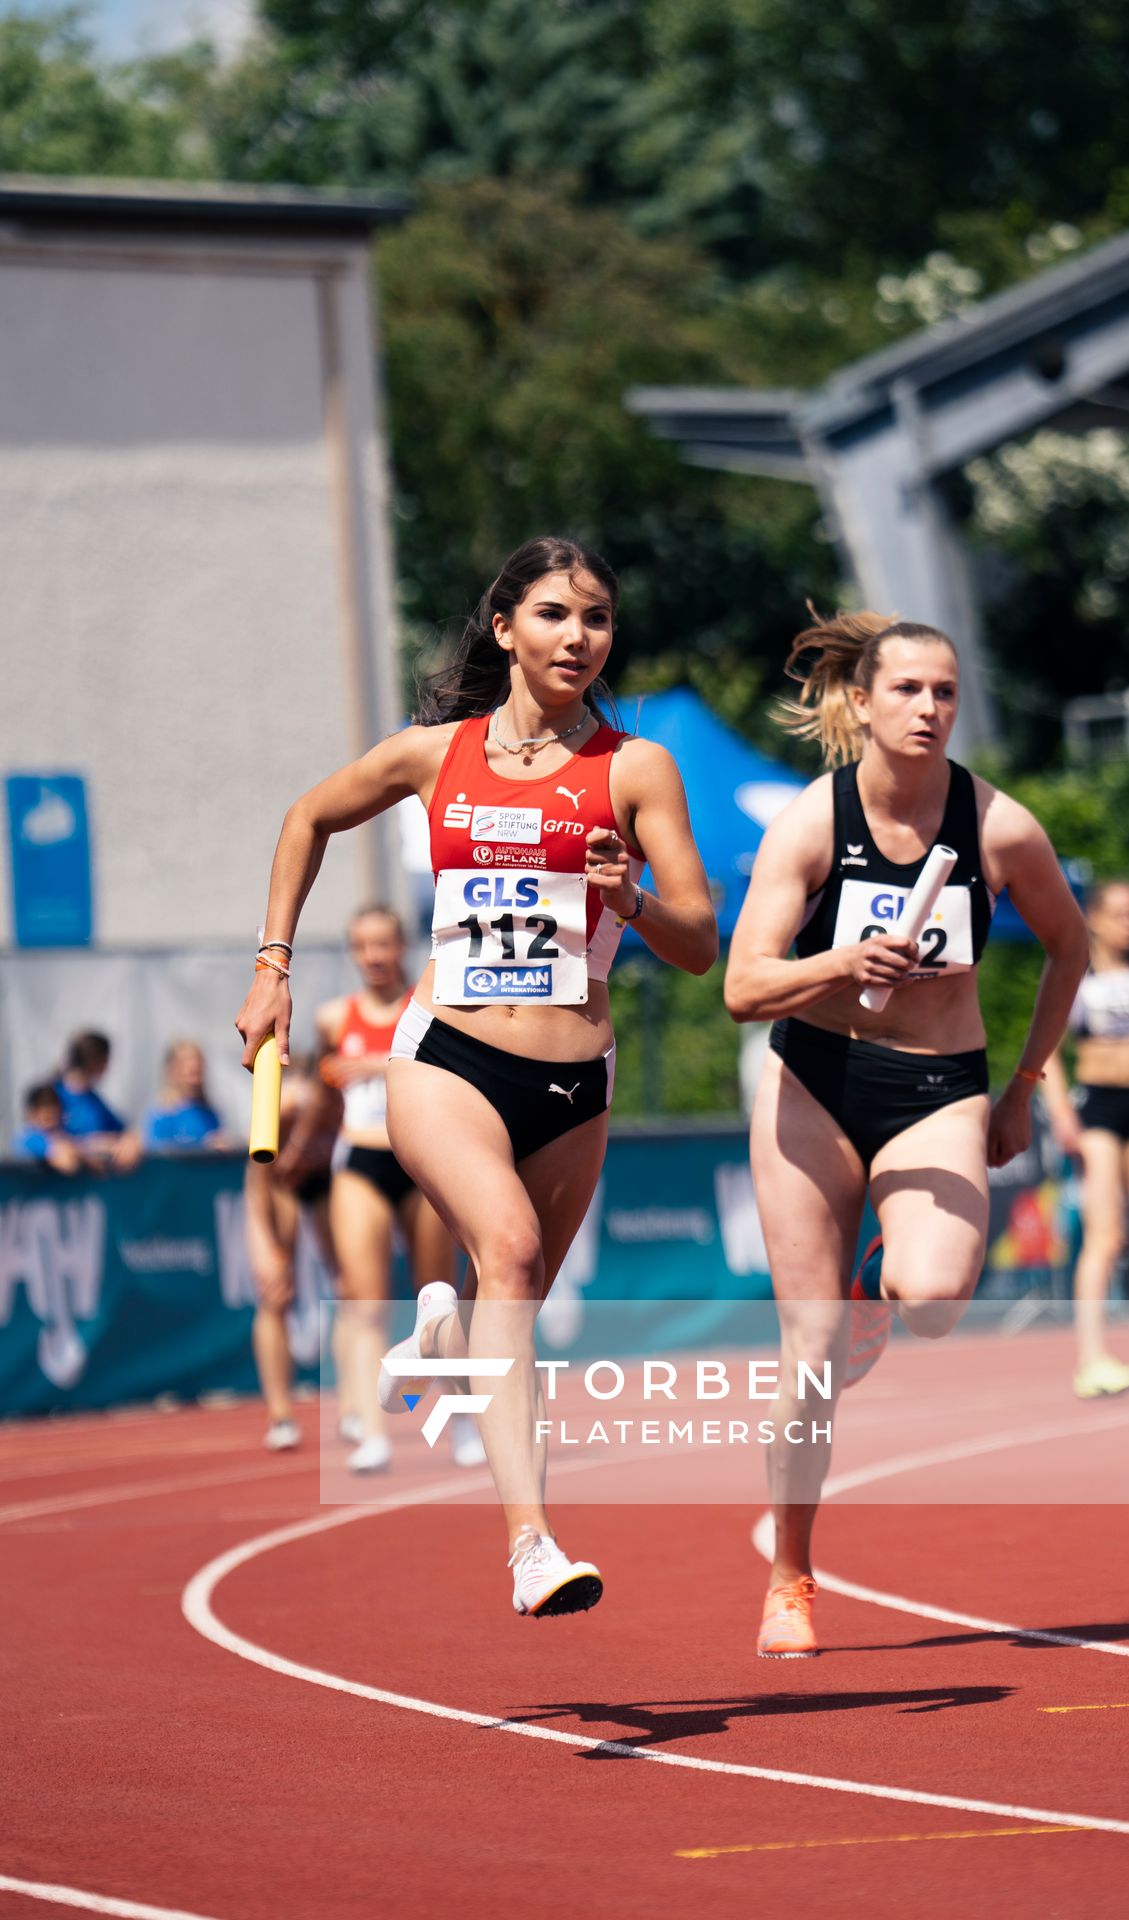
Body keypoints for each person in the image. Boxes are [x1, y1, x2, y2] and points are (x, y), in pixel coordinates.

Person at [235, 536, 717, 1616]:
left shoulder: (635, 768)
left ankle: (445, 1336)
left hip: (573, 1079)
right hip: (445, 1058)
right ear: (504, 627)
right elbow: (306, 816)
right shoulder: (432, 754)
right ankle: (530, 1543)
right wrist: (272, 968)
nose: (578, 638)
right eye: (554, 614)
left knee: (516, 1292)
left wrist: (631, 901)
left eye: (596, 620)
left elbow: (699, 944)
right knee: (507, 1247)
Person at [725, 606, 1089, 1658]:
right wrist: (842, 964)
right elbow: (743, 989)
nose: (928, 709)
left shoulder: (998, 826)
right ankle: (790, 1576)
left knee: (930, 1301)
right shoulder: (809, 822)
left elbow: (1065, 949)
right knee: (807, 1359)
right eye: (906, 691)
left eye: (943, 693)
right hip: (813, 1085)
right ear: (861, 703)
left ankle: (881, 1275)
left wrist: (1022, 1082)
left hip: (938, 1088)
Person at [315, 905, 459, 1474]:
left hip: (421, 1159)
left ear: (402, 946)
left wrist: (377, 1066)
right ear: (352, 951)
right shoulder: (333, 1017)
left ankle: (463, 1422)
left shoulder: (428, 1005)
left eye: (383, 944)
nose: (374, 956)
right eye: (362, 946)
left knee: (437, 1300)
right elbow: (324, 1092)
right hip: (361, 1160)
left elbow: (448, 1073)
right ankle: (372, 1431)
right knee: (364, 1300)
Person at [1042, 881, 1129, 1399]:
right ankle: (1091, 1359)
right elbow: (1048, 1046)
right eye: (1120, 914)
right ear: (1094, 919)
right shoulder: (1076, 967)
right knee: (1106, 1237)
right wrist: (1061, 1113)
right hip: (1096, 1108)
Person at [245, 1059, 341, 1451]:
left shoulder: (340, 1108)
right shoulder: (282, 1112)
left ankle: (352, 1406)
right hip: (281, 1183)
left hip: (326, 1183)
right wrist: (265, 1245)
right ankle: (280, 1413)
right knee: (275, 1292)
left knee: (352, 1287)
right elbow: (257, 1192)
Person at [53, 1031, 141, 1170]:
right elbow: (40, 1137)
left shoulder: (93, 1100)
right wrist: (87, 1147)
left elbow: (123, 1131)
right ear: (92, 1060)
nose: (109, 1066)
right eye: (106, 1059)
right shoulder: (53, 1095)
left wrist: (129, 1142)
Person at [141, 1040, 233, 1152]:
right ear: (173, 1071)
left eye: (199, 1072)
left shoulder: (209, 1114)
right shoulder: (162, 1115)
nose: (195, 1081)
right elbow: (157, 1151)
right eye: (191, 1072)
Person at [11, 1083, 82, 1174]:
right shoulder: (29, 1140)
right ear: (31, 1112)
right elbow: (68, 1164)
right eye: (42, 1107)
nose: (49, 1112)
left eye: (53, 1106)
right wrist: (84, 1156)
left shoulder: (63, 1135)